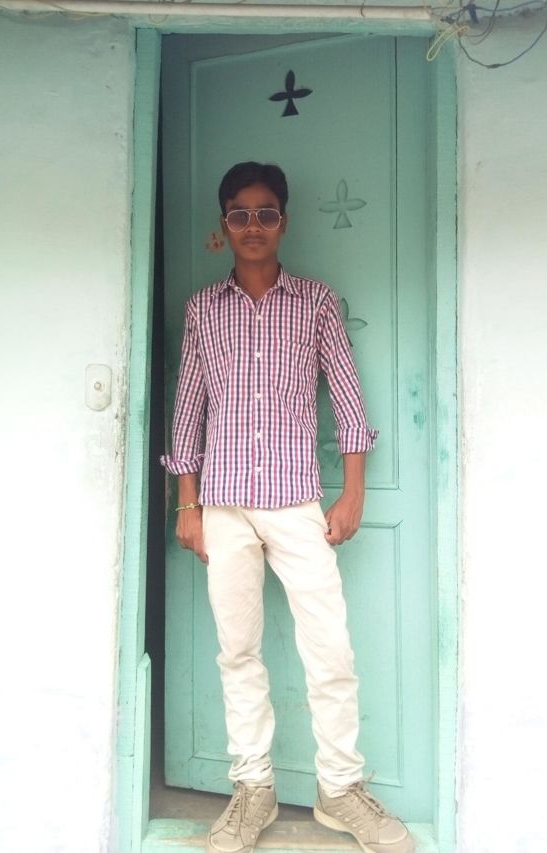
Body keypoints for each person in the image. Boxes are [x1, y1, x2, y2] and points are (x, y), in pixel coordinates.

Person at [161, 162, 414, 853]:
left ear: (284, 221)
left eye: (265, 212)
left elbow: (349, 397)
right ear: (223, 224)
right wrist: (187, 504)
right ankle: (253, 786)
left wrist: (353, 492)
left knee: (330, 648)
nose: (253, 225)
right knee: (238, 651)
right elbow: (189, 409)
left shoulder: (316, 302)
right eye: (239, 214)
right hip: (223, 505)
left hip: (297, 502)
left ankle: (340, 789)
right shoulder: (203, 310)